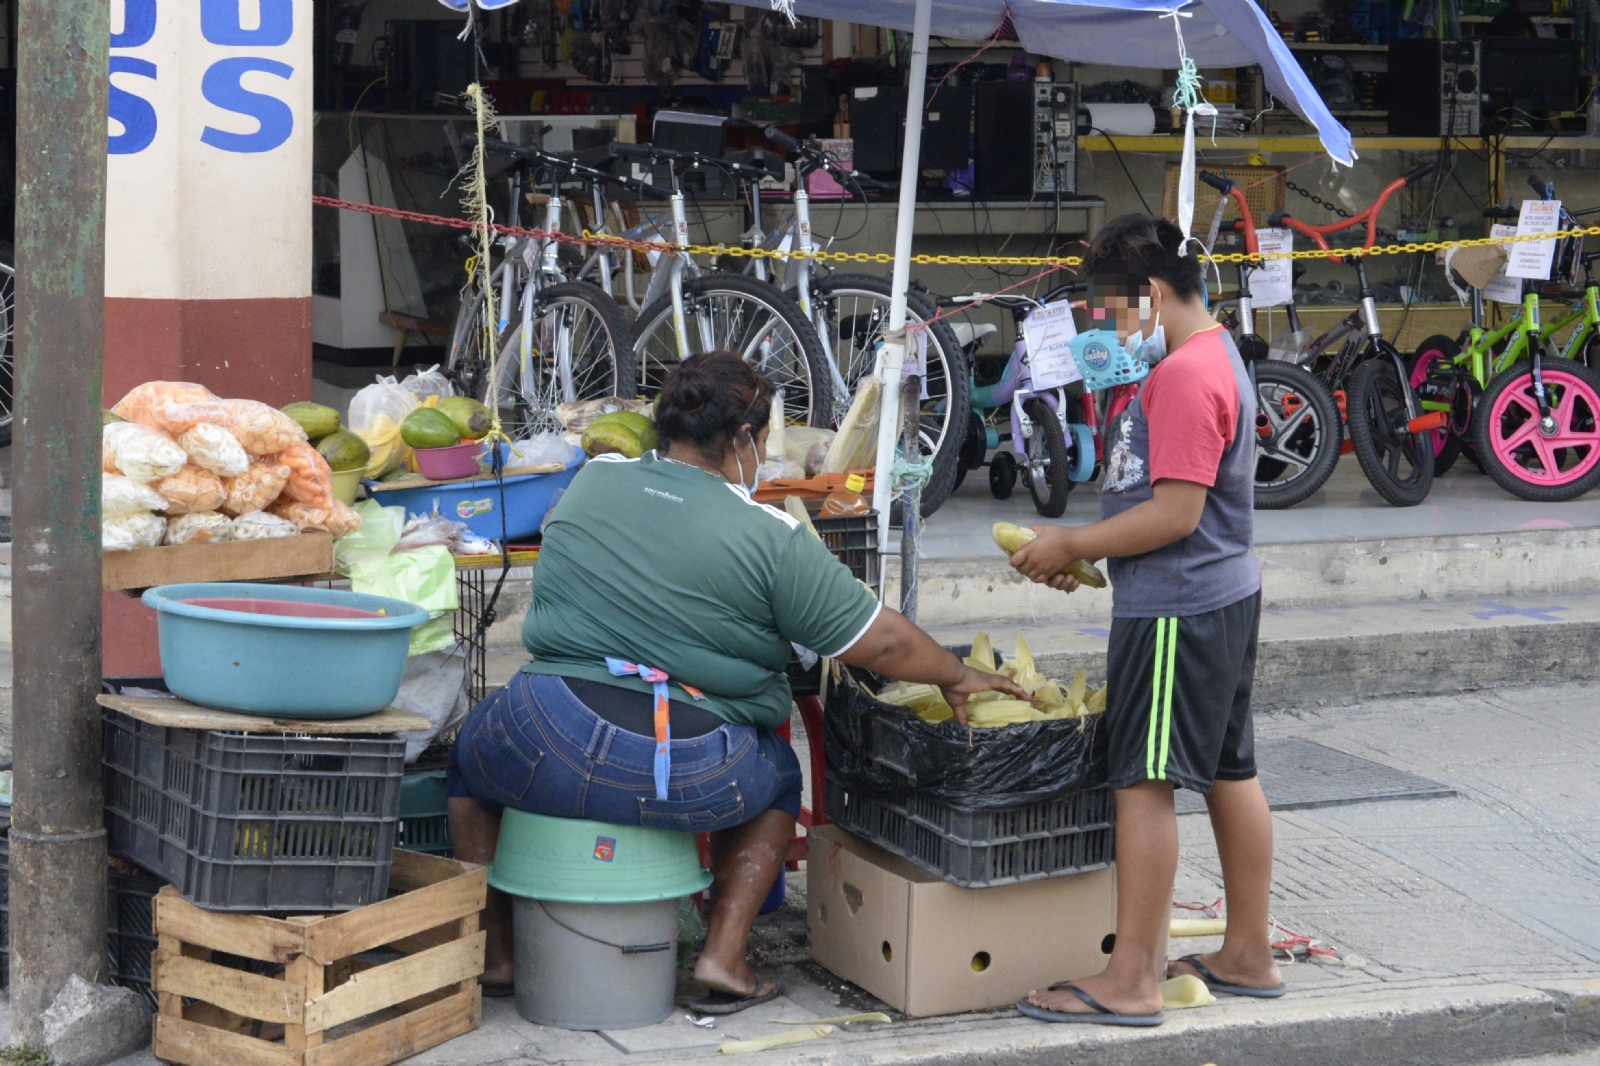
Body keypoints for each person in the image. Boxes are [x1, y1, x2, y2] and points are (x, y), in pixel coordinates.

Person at [447, 351, 1028, 1013]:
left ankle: (496, 950)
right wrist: (956, 672)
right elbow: (885, 640)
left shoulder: (593, 479)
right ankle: (724, 955)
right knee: (779, 774)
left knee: (469, 756)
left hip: (537, 738)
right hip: (681, 769)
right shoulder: (770, 533)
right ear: (744, 438)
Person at [1008, 215, 1282, 1026]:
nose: (1114, 331)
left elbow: (1174, 514)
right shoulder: (1211, 354)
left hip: (1179, 610)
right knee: (1231, 770)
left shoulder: (1190, 376)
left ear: (1152, 296)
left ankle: (1130, 978)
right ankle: (1248, 952)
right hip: (1214, 594)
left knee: (1143, 779)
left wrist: (1074, 541)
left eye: (1116, 313)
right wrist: (1092, 558)